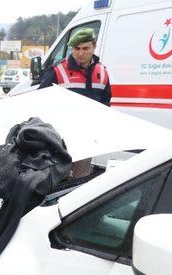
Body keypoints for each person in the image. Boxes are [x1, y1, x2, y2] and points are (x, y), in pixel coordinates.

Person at [39, 28, 112, 176]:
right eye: (76, 48)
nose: (80, 53)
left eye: (85, 48)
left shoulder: (102, 72)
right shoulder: (56, 71)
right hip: (59, 139)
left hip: (87, 137)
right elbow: (40, 102)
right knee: (57, 180)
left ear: (94, 47)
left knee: (80, 182)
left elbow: (105, 105)